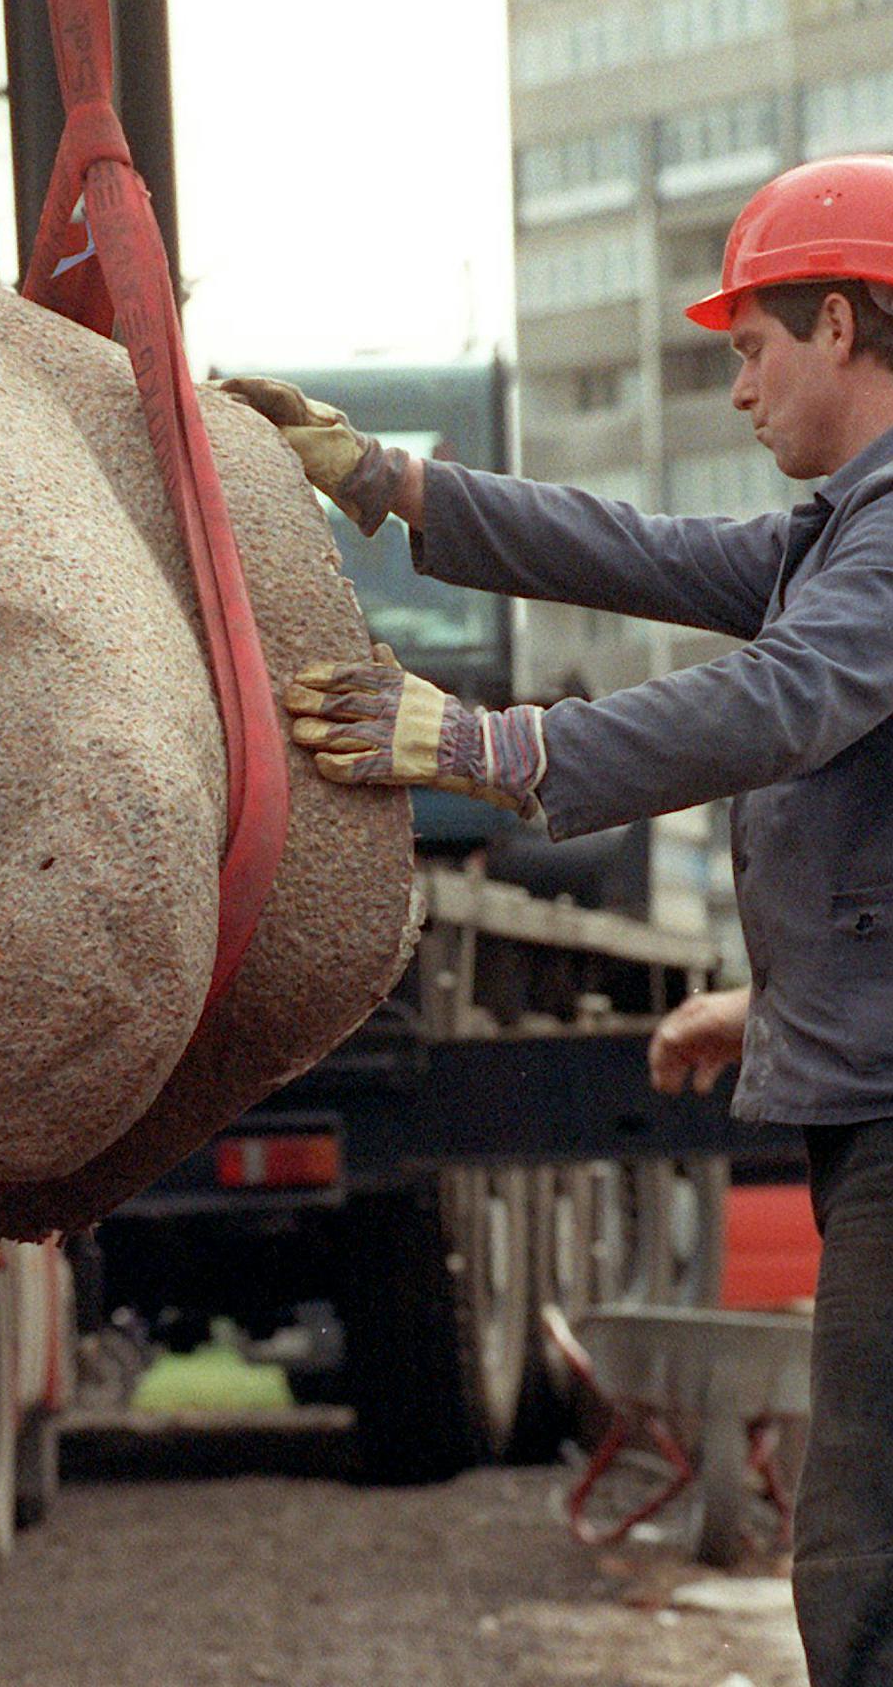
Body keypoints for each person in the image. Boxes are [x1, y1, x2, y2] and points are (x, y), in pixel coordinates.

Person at [225, 152, 893, 1687]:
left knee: (864, 1572)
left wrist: (494, 749)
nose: (739, 392)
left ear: (844, 326)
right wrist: (383, 482)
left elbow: (788, 703)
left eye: (752, 347)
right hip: (871, 1089)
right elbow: (645, 553)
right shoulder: (841, 535)